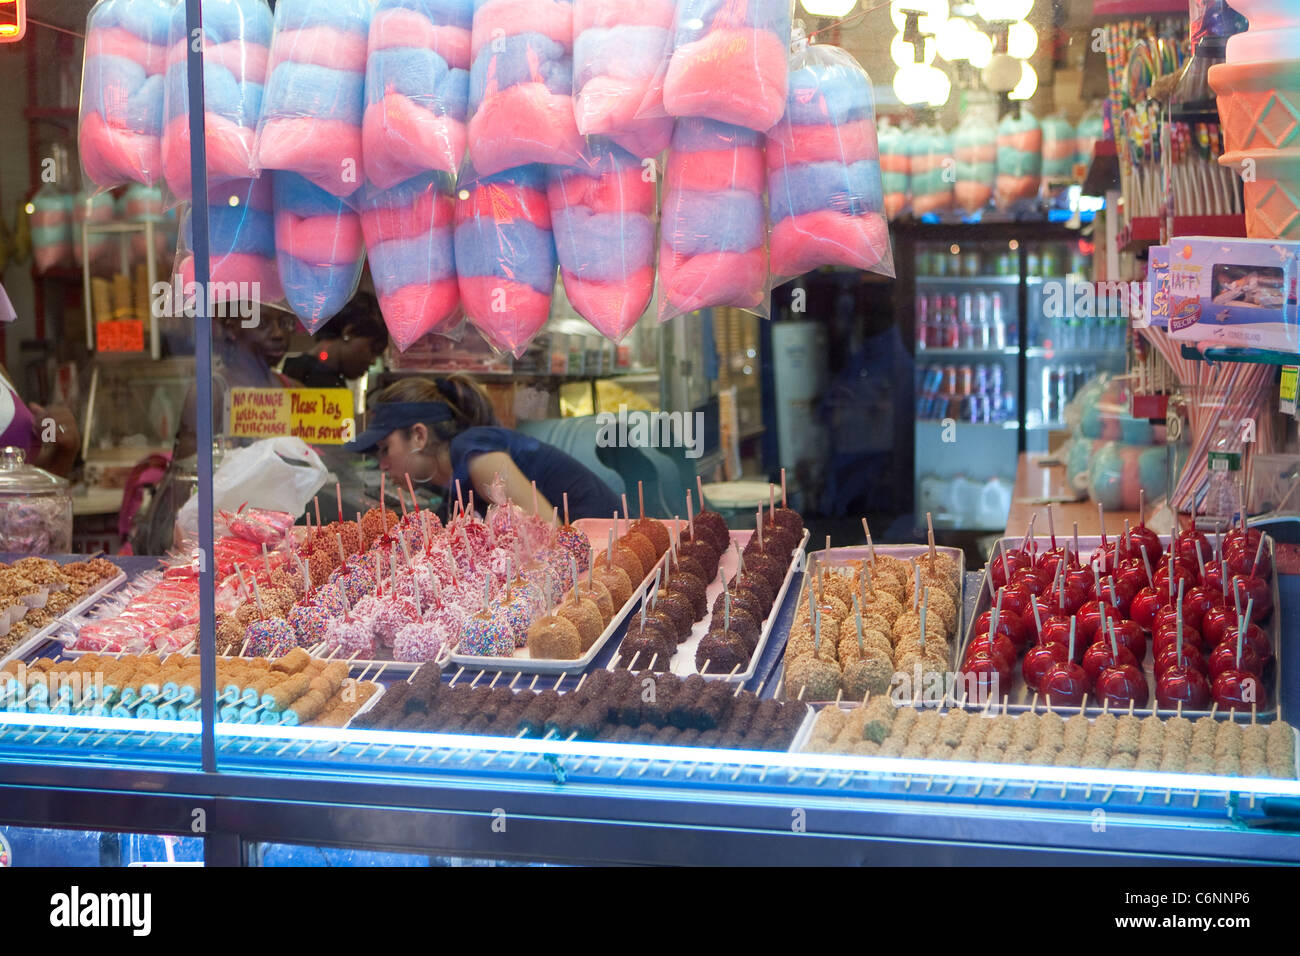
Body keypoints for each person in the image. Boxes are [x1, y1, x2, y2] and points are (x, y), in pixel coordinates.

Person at [346, 375, 622, 520]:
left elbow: (549, 536)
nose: (381, 464)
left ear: (419, 435)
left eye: (385, 448)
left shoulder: (479, 458)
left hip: (611, 554)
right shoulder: (453, 487)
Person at [282, 291, 388, 389]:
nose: (373, 361)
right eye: (373, 350)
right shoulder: (318, 381)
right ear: (348, 333)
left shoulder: (296, 370)